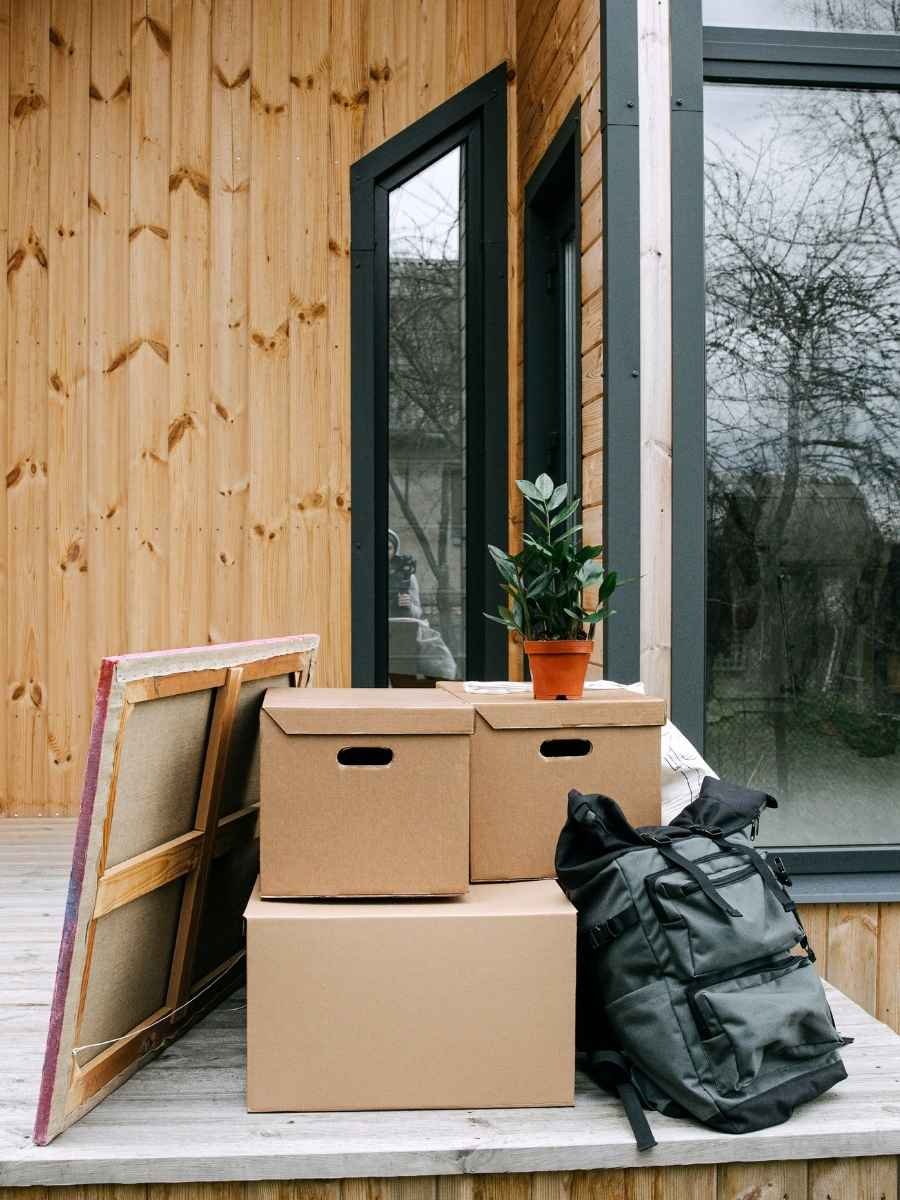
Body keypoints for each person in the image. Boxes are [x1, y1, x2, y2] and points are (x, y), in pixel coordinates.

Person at [387, 528, 423, 618]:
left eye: (388, 548)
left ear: (395, 551)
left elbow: (418, 613)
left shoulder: (407, 577)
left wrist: (409, 605)